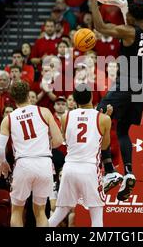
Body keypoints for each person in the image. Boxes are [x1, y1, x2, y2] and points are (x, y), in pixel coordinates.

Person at [88, 0, 143, 201]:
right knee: (123, 130)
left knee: (98, 117)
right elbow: (134, 10)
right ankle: (129, 172)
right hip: (141, 86)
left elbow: (100, 26)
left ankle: (109, 171)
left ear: (130, 18)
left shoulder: (128, 31)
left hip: (126, 83)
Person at [0, 80, 63, 227]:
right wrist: (43, 146)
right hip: (44, 163)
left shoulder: (8, 118)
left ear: (13, 99)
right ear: (28, 94)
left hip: (23, 164)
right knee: (40, 211)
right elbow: (59, 140)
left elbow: (0, 150)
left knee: (17, 210)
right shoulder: (44, 111)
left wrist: (4, 163)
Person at [48, 85, 115, 227]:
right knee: (96, 215)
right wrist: (107, 118)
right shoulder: (103, 119)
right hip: (89, 168)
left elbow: (66, 139)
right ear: (91, 96)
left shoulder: (65, 117)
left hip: (69, 167)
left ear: (75, 100)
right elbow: (104, 146)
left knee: (60, 212)